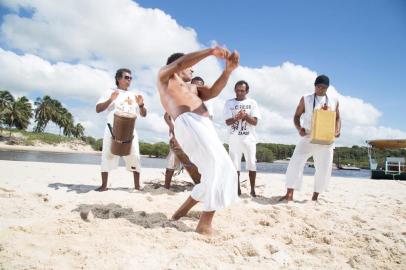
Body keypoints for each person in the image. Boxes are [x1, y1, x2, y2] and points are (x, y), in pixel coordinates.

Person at [157, 47, 239, 235]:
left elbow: (213, 92)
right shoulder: (165, 76)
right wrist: (211, 52)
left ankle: (180, 212)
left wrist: (227, 71)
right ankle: (204, 225)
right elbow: (180, 63)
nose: (193, 71)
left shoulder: (193, 87)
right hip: (188, 122)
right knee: (220, 167)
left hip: (204, 125)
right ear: (179, 66)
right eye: (190, 68)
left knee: (215, 172)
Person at [279, 75, 341, 201]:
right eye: (319, 86)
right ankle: (289, 193)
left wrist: (337, 129)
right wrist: (299, 128)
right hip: (308, 136)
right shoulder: (306, 98)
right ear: (315, 85)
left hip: (326, 139)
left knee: (323, 168)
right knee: (295, 162)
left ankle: (315, 196)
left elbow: (338, 118)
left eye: (324, 87)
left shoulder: (334, 100)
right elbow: (296, 116)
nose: (321, 89)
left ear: (327, 88)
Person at [95, 68, 147, 191]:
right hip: (112, 128)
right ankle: (104, 186)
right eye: (126, 77)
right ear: (119, 79)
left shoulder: (134, 95)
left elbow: (144, 114)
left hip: (130, 130)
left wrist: (141, 105)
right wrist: (110, 100)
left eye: (130, 78)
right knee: (107, 155)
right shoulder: (110, 92)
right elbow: (98, 109)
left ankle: (137, 186)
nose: (129, 80)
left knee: (135, 156)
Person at [224, 80, 261, 197]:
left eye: (242, 91)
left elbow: (255, 122)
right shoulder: (229, 103)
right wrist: (237, 117)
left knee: (252, 164)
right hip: (234, 138)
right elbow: (227, 122)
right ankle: (237, 189)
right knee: (235, 165)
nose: (239, 93)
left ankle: (252, 190)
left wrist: (245, 116)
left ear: (247, 91)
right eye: (237, 90)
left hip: (249, 138)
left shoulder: (252, 102)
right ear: (235, 90)